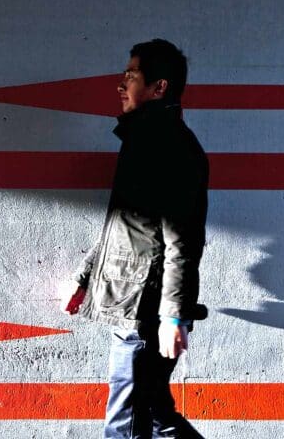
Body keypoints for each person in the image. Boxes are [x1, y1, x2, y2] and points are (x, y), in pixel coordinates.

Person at [61, 39, 209, 438]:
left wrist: (172, 316)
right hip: (136, 304)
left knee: (124, 427)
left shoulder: (170, 146)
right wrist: (86, 276)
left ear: (159, 87)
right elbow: (123, 225)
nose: (120, 85)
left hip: (144, 313)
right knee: (157, 416)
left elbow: (183, 240)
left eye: (131, 76)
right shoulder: (144, 141)